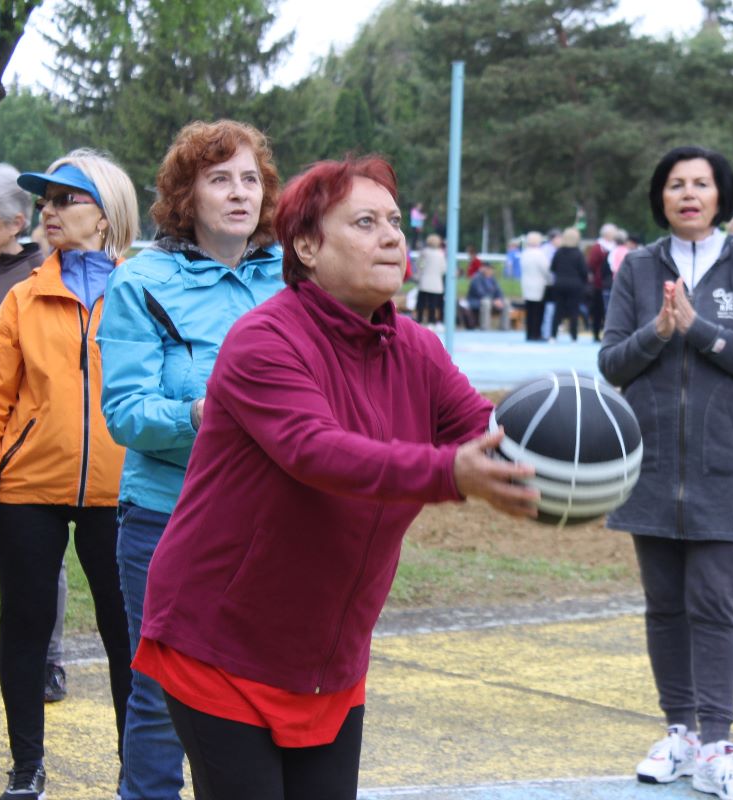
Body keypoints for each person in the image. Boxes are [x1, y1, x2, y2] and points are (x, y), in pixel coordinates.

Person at [133, 155, 537, 800]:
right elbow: (317, 453)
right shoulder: (263, 339)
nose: (392, 237)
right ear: (306, 247)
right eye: (365, 222)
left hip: (327, 655)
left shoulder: (418, 349)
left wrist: (563, 451)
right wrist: (452, 474)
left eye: (395, 222)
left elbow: (486, 429)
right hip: (221, 642)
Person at [98, 120, 285, 800]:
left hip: (278, 524)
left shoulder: (297, 278)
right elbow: (125, 414)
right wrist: (199, 416)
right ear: (186, 195)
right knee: (160, 698)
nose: (239, 193)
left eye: (250, 179)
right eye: (219, 179)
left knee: (263, 693)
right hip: (167, 520)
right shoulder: (140, 282)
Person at [599, 145, 733, 800]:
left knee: (713, 605)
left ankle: (716, 744)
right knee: (664, 606)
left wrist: (698, 330)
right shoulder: (637, 267)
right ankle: (679, 732)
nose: (688, 194)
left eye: (701, 183)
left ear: (720, 195)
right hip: (649, 465)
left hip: (724, 465)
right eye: (676, 184)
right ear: (661, 197)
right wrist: (657, 330)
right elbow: (612, 363)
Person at [0, 149, 139, 800]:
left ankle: (138, 769)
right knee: (24, 629)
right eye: (44, 201)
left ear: (105, 215)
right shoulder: (23, 298)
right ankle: (27, 770)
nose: (48, 211)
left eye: (65, 199)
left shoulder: (142, 293)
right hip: (27, 491)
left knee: (127, 636)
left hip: (123, 493)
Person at [0, 160, 72, 704]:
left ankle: (49, 660)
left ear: (16, 222)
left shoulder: (41, 277)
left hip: (22, 442)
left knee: (40, 561)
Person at [549, 227, 589, 341]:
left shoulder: (558, 252)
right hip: (575, 285)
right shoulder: (578, 254)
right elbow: (584, 271)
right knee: (574, 311)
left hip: (559, 284)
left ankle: (553, 335)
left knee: (558, 310)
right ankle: (573, 336)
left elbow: (552, 268)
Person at [586, 223, 617, 342]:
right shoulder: (598, 247)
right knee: (598, 310)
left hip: (613, 282)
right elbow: (592, 264)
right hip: (599, 284)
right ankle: (596, 333)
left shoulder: (615, 246)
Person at [519, 230, 551, 341]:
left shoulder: (524, 253)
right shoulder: (540, 254)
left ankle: (529, 333)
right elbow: (546, 270)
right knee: (538, 312)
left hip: (527, 284)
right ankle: (536, 333)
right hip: (539, 285)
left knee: (529, 311)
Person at [414, 233, 447, 327]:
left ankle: (419, 320)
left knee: (421, 303)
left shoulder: (424, 252)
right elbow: (443, 269)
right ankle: (431, 321)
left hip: (424, 282)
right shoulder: (441, 254)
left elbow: (419, 265)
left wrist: (421, 272)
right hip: (436, 283)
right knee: (433, 304)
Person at [465, 261, 508, 330]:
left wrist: (499, 299)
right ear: (483, 269)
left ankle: (504, 327)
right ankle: (485, 327)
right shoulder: (476, 278)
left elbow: (499, 291)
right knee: (486, 302)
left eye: (491, 269)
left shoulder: (492, 279)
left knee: (505, 302)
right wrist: (493, 301)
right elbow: (480, 293)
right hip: (476, 301)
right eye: (488, 269)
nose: (490, 271)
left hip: (490, 301)